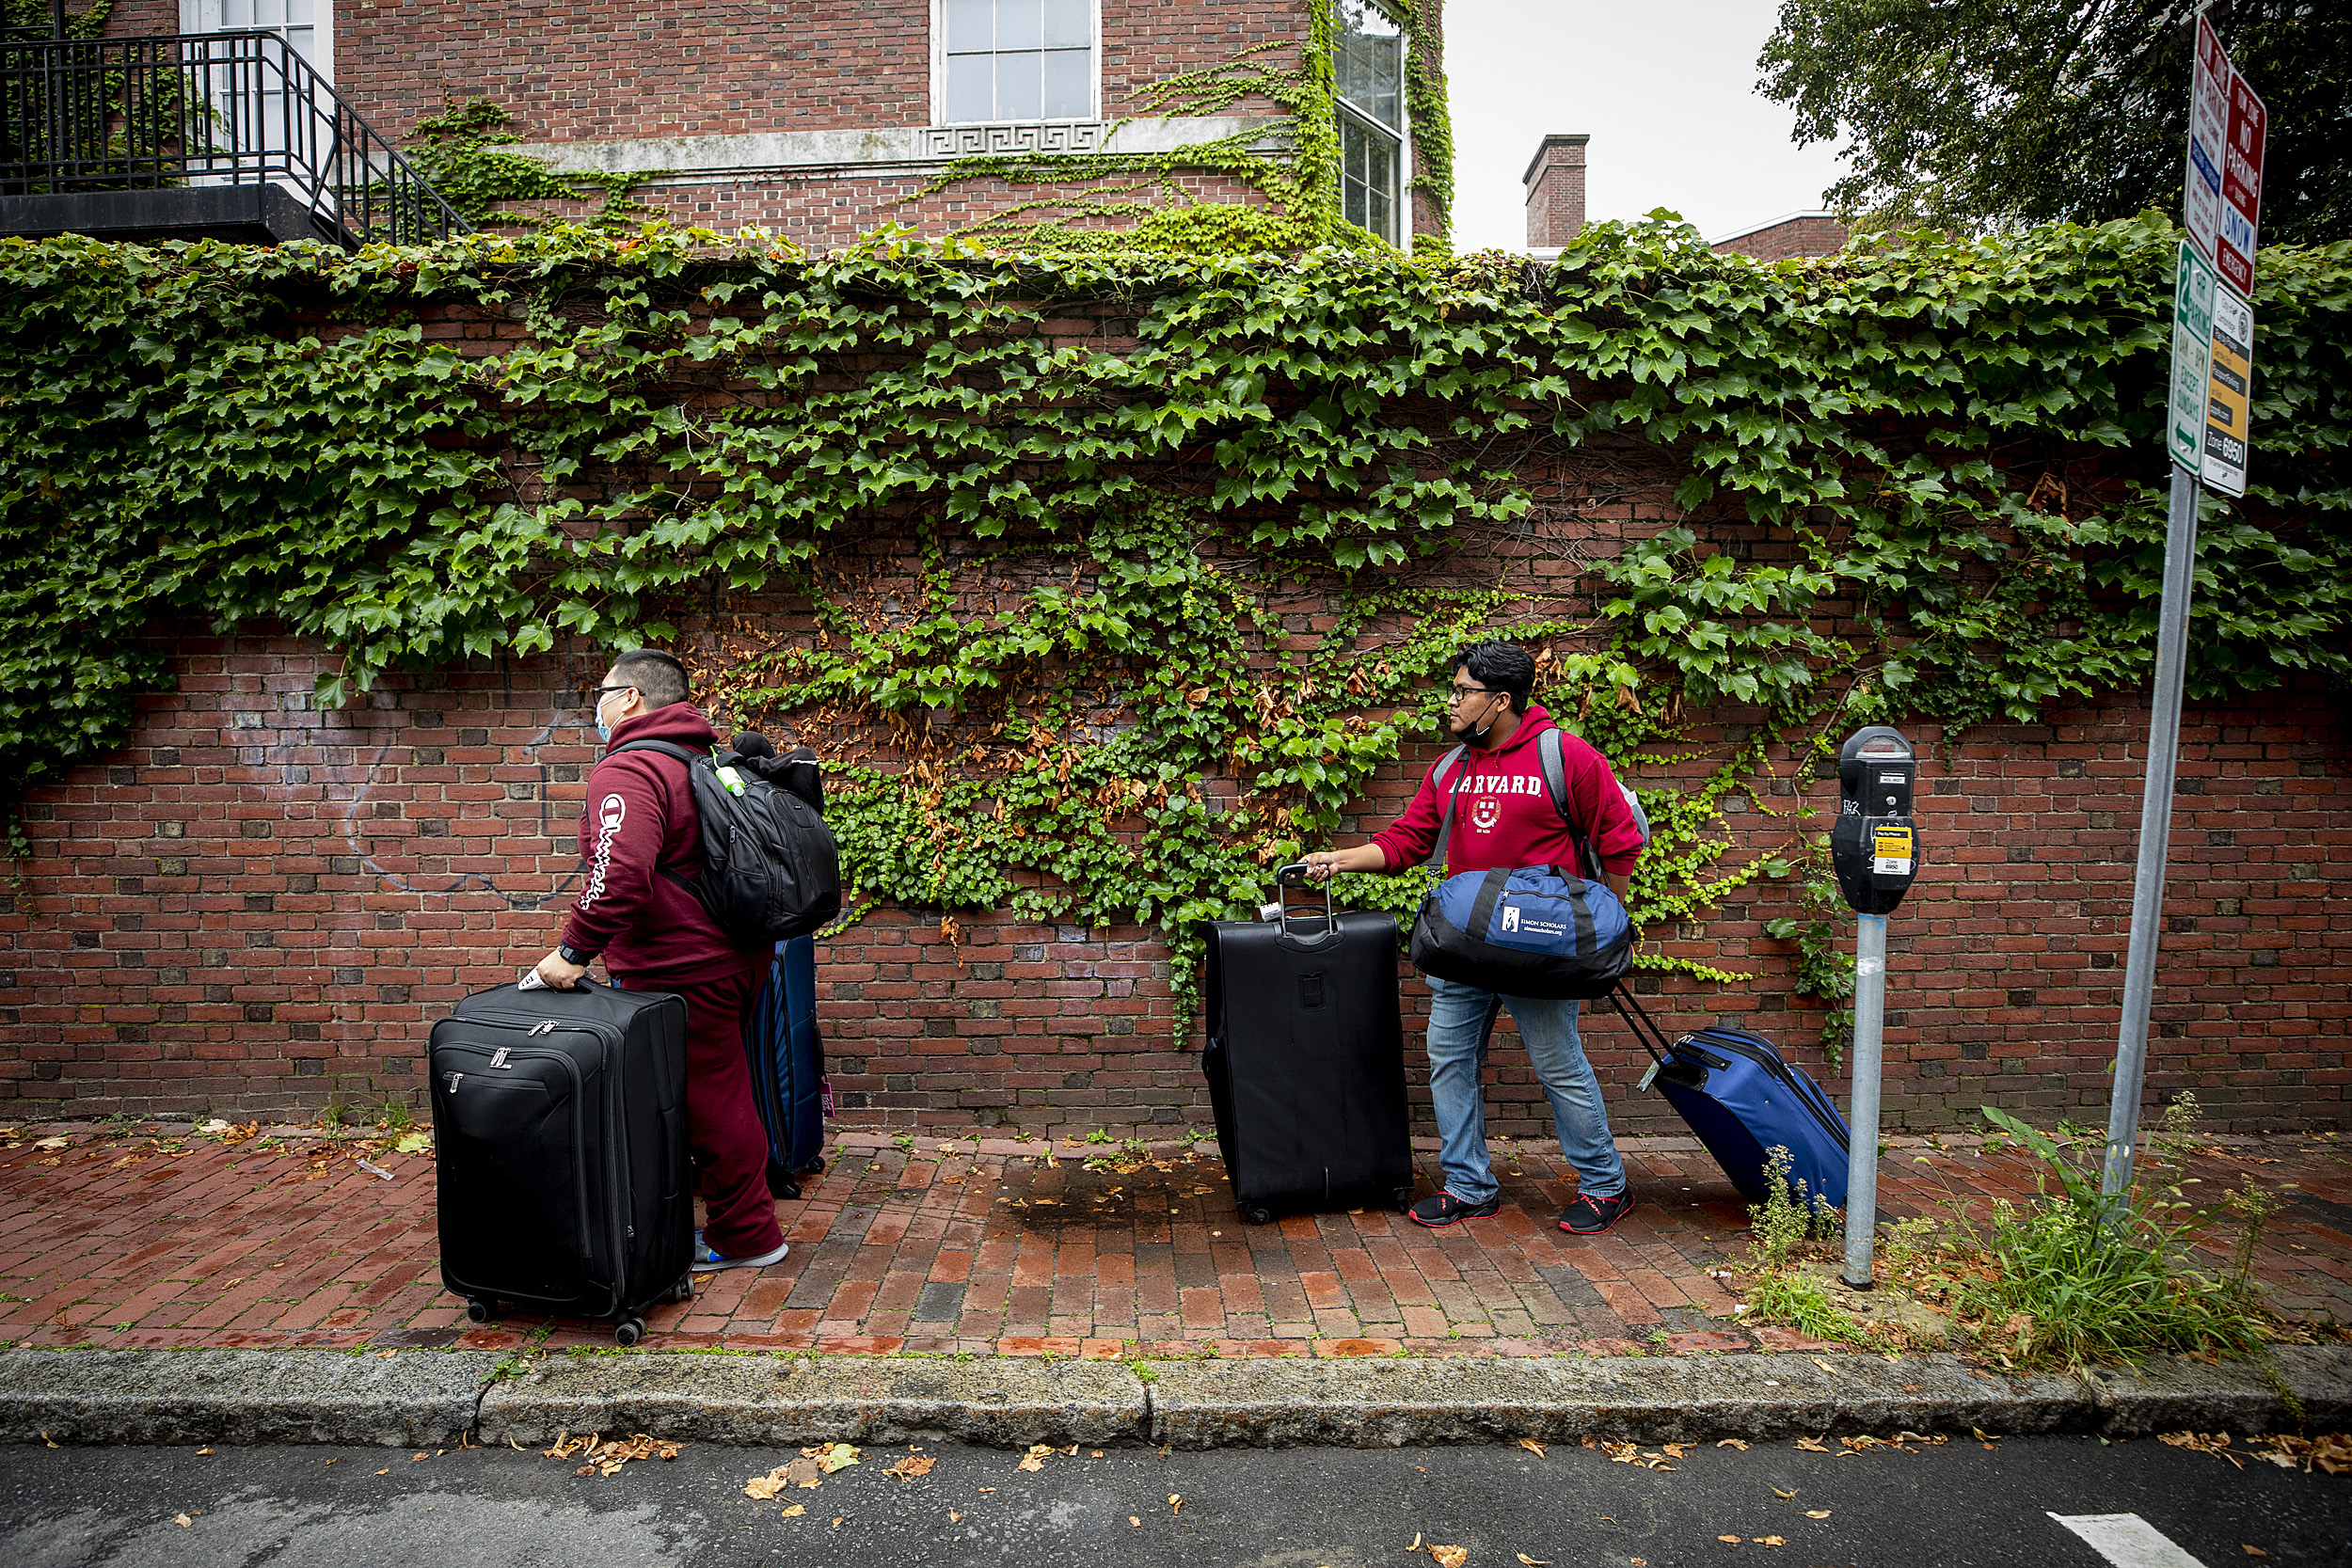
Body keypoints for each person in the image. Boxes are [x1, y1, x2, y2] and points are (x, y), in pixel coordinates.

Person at [1301, 640, 1646, 1235]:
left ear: (1502, 700)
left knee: (1558, 1063)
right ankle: (1468, 1185)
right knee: (1449, 1060)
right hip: (1464, 948)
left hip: (1538, 949)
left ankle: (1605, 1186)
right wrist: (1342, 859)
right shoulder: (1451, 768)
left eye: (1464, 693)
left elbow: (1619, 839)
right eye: (1455, 691)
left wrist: (1606, 924)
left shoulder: (1566, 757)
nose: (1452, 703)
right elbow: (1409, 839)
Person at [532, 648, 790, 1274]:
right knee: (723, 1093)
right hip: (735, 953)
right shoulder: (700, 759)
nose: (595, 705)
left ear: (632, 699)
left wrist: (572, 951)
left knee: (712, 1102)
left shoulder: (629, 769)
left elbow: (620, 875)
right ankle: (710, 1214)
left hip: (681, 966)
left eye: (602, 692)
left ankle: (749, 1235)